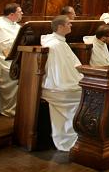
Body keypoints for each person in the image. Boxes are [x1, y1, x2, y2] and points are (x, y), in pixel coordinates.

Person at [40, 15, 82, 152]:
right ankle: (69, 137)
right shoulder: (55, 44)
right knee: (79, 96)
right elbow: (58, 73)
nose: (71, 25)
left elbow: (72, 64)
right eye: (69, 24)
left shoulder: (61, 42)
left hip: (64, 81)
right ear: (60, 27)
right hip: (56, 86)